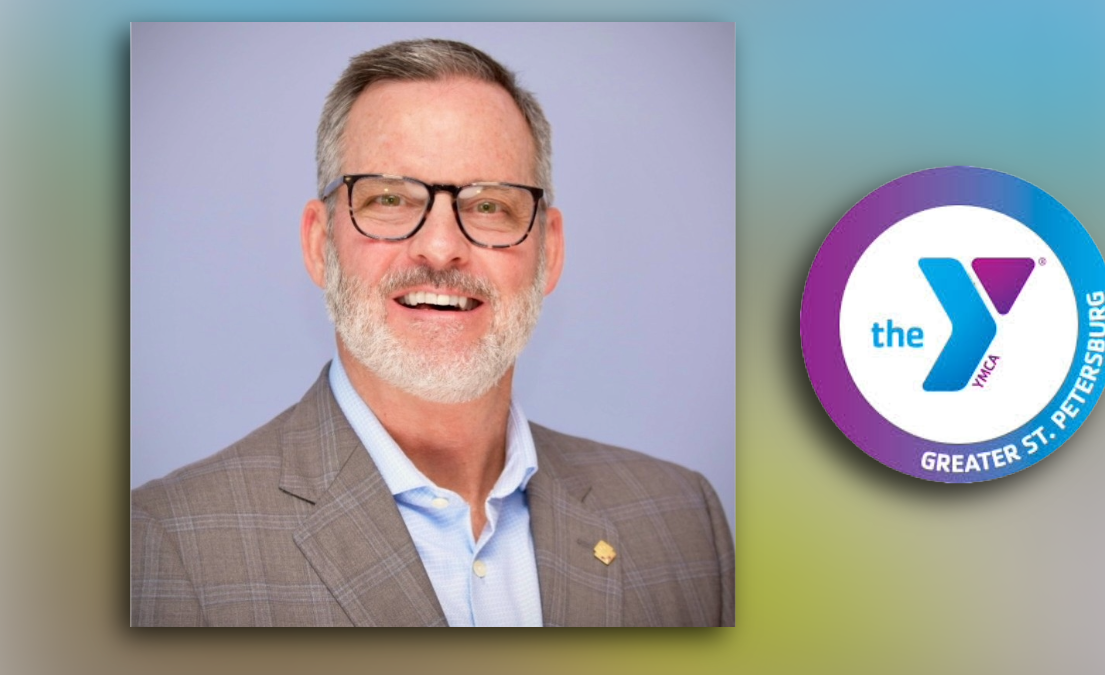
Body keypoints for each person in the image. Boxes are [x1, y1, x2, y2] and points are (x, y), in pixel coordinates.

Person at [131, 38, 734, 627]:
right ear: (321, 244)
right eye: (389, 198)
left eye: (490, 205)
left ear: (549, 252)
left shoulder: (682, 523)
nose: (442, 247)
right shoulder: (169, 545)